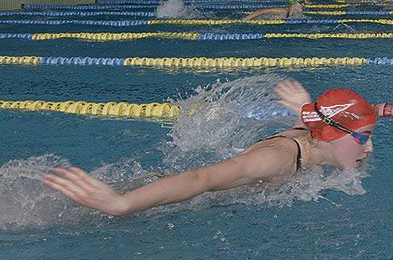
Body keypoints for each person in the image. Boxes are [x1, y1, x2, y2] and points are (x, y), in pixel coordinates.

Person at [43, 80, 375, 217]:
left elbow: (308, 122)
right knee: (78, 211)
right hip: (166, 198)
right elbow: (201, 179)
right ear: (332, 134)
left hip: (170, 185)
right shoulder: (276, 160)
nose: (370, 147)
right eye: (363, 137)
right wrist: (121, 203)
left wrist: (304, 105)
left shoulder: (311, 133)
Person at [242, 0, 308, 21]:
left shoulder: (295, 13)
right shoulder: (283, 11)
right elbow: (260, 11)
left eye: (304, 3)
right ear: (292, 3)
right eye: (300, 3)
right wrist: (243, 20)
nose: (303, 5)